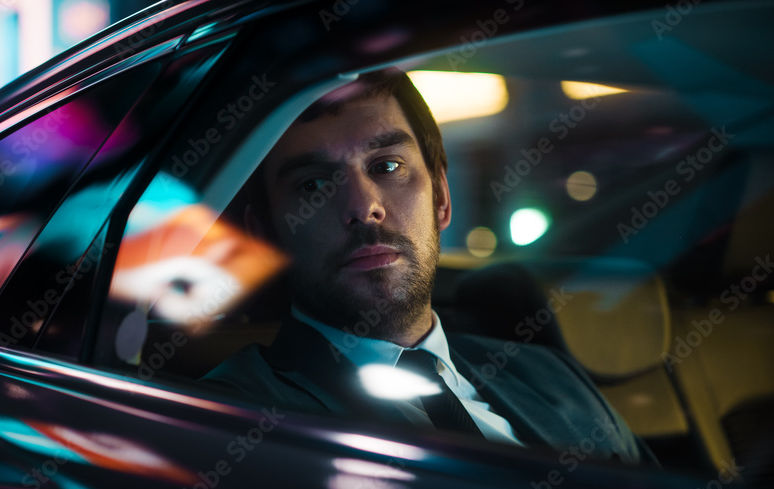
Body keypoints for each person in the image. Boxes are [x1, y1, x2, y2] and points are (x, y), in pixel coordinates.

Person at [202, 69, 653, 464]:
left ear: (440, 197)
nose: (364, 207)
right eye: (314, 184)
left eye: (387, 165)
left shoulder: (549, 374)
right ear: (265, 234)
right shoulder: (230, 422)